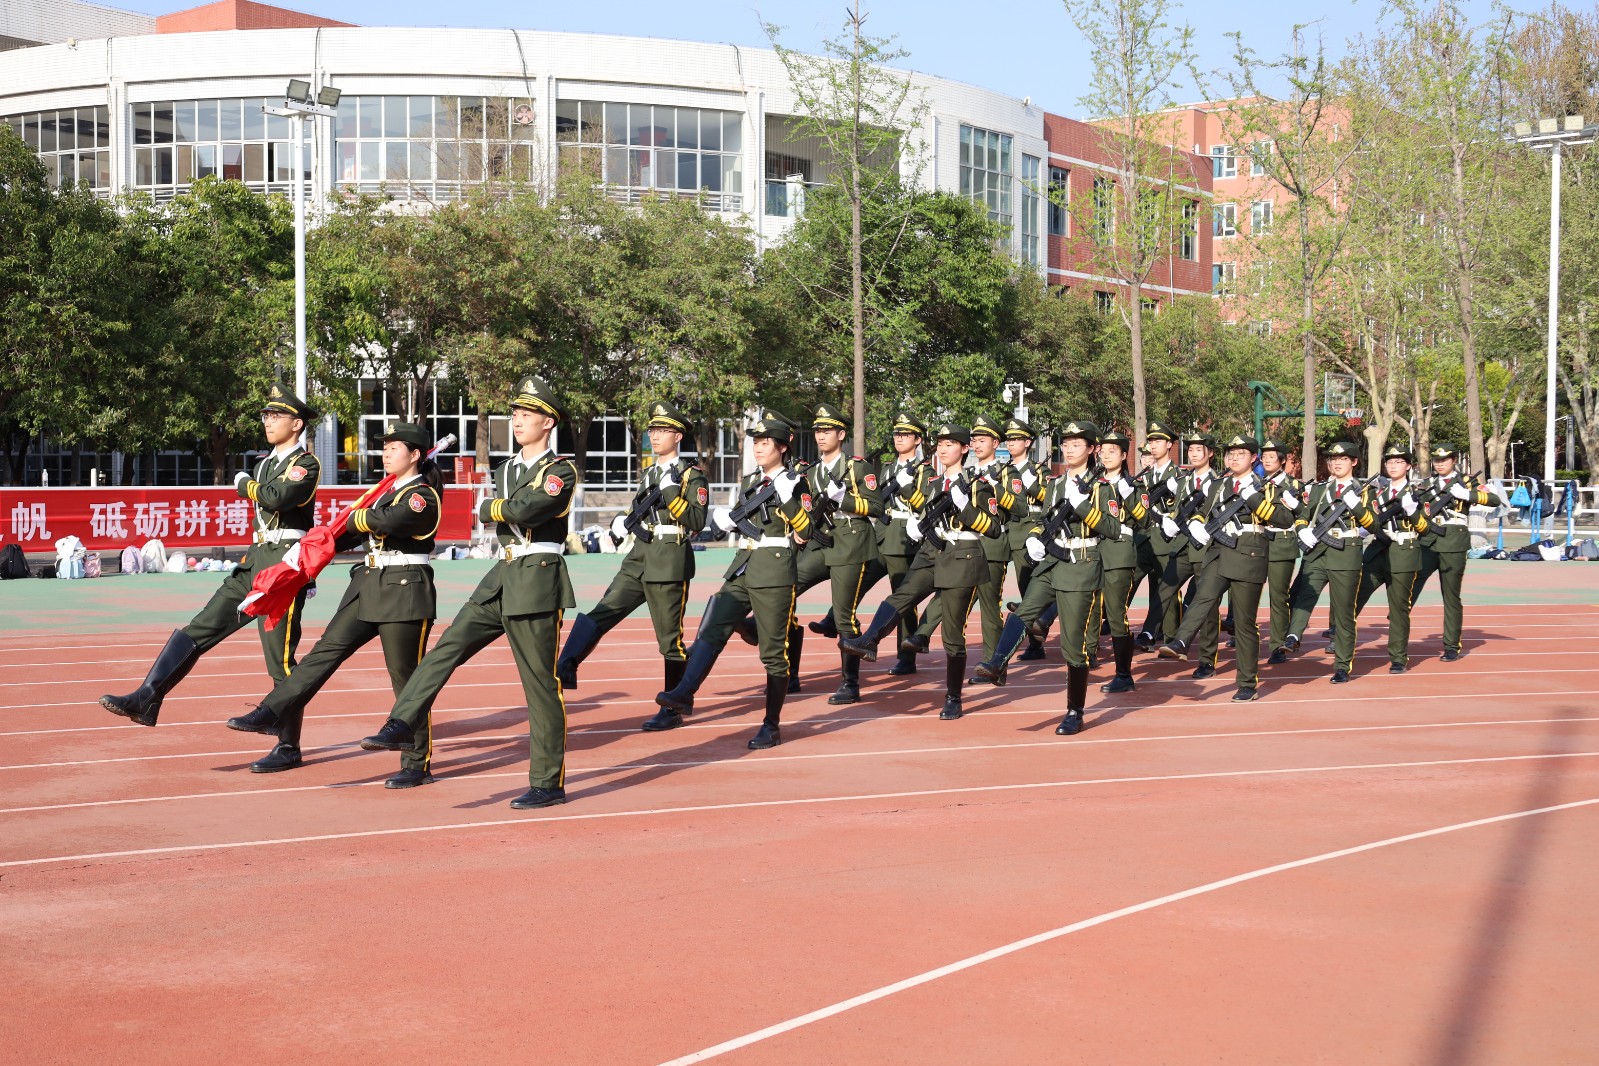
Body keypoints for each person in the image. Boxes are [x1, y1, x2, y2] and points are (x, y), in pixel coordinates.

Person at [357, 375, 578, 807]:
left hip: (538, 576)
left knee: (539, 685)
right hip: (502, 573)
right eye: (515, 413)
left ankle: (548, 783)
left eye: (527, 414)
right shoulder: (506, 469)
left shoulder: (560, 471)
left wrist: (493, 508)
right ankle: (401, 722)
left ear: (548, 422)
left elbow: (530, 509)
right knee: (446, 648)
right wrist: (503, 509)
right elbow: (513, 510)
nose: (517, 420)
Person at [226, 422, 443, 774]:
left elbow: (388, 521)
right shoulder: (382, 493)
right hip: (367, 585)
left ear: (415, 455)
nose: (386, 453)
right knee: (323, 653)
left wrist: (357, 518)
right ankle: (272, 710)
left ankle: (416, 764)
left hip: (404, 590)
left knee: (406, 679)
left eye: (394, 447)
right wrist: (313, 547)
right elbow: (347, 533)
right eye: (384, 447)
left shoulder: (422, 496)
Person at [100, 384, 320, 727]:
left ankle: (288, 744)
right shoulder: (265, 465)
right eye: (266, 415)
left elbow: (278, 498)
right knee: (200, 628)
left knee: (280, 659)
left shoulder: (304, 464)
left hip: (284, 567)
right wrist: (253, 482)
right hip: (254, 561)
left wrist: (245, 485)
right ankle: (147, 697)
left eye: (276, 416)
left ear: (296, 424)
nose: (267, 421)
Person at [649, 412, 812, 747]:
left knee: (773, 653)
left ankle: (771, 724)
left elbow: (807, 530)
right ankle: (684, 692)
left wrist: (787, 498)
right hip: (743, 566)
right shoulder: (750, 481)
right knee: (714, 624)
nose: (758, 447)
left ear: (783, 447)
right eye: (756, 442)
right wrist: (728, 522)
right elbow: (744, 517)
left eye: (765, 442)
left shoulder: (796, 482)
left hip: (774, 571)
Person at [840, 423, 1002, 719]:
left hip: (962, 555)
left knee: (952, 633)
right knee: (903, 595)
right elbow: (927, 513)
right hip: (932, 550)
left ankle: (953, 697)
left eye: (950, 444)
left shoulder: (978, 485)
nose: (943, 449)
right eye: (940, 444)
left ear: (964, 449)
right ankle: (870, 640)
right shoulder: (935, 483)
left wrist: (965, 507)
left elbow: (993, 528)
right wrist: (919, 526)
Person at [555, 401, 708, 701]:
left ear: (678, 436)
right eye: (653, 430)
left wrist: (671, 492)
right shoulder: (649, 474)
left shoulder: (691, 476)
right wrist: (621, 523)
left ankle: (674, 705)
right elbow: (638, 509)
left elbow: (697, 521)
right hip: (638, 557)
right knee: (603, 611)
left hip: (668, 560)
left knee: (670, 641)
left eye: (663, 430)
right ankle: (565, 666)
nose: (655, 435)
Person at [743, 403, 885, 705]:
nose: (821, 435)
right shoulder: (808, 472)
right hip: (821, 542)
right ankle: (790, 676)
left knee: (844, 615)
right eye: (818, 430)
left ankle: (850, 683)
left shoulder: (857, 467)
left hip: (851, 543)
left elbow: (876, 507)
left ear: (841, 434)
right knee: (788, 589)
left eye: (827, 430)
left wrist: (844, 499)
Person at [1158, 435, 1294, 701]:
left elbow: (1285, 518)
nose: (1234, 458)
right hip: (1219, 550)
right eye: (1231, 454)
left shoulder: (1266, 486)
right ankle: (1181, 641)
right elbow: (1203, 510)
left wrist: (1254, 500)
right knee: (1203, 596)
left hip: (1249, 554)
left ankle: (1247, 683)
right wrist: (1196, 522)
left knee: (1244, 624)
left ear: (1253, 458)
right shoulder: (1219, 484)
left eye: (1241, 454)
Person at [1026, 420, 1122, 735]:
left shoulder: (1102, 487)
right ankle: (997, 662)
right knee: (1026, 611)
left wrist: (1083, 507)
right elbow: (1043, 519)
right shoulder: (1055, 484)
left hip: (1083, 562)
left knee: (1072, 644)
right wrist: (1035, 536)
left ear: (1092, 449)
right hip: (1055, 560)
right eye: (1065, 444)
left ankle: (1074, 711)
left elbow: (1113, 528)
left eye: (1077, 444)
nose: (1068, 449)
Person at [1280, 440, 1377, 683]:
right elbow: (1303, 515)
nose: (1337, 463)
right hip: (1317, 550)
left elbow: (1374, 524)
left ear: (1354, 462)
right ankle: (1293, 636)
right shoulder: (1319, 489)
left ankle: (1342, 664)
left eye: (1343, 459)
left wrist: (1357, 508)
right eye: (1333, 459)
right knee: (1304, 595)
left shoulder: (1364, 491)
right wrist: (1302, 530)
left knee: (1344, 611)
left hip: (1345, 552)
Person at [1410, 442, 1503, 661]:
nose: (1440, 464)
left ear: (1453, 461)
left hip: (1453, 541)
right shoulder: (1426, 484)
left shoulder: (1467, 482)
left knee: (1451, 596)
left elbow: (1494, 500)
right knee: (1408, 584)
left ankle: (1451, 645)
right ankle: (1398, 623)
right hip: (1427, 540)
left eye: (1444, 460)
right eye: (1436, 460)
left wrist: (1467, 495)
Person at [1353, 443, 1432, 674]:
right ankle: (1340, 639)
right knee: (1353, 596)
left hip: (1403, 552)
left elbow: (1425, 529)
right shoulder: (1376, 493)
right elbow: (1369, 519)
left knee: (1398, 608)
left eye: (1399, 462)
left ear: (1408, 466)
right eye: (1389, 462)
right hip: (1378, 550)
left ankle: (1398, 657)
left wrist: (1412, 512)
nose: (1393, 465)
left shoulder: (1418, 493)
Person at [1151, 430, 1220, 677]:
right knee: (1164, 589)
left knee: (1207, 605)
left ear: (1210, 453)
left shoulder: (1219, 482)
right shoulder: (1182, 481)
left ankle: (1207, 660)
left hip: (1206, 549)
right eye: (1190, 449)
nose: (1193, 454)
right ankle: (1154, 634)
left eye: (1199, 449)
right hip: (1181, 546)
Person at [873, 412, 934, 675]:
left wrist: (908, 489)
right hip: (882, 534)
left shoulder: (925, 471)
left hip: (903, 539)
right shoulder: (888, 468)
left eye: (905, 435)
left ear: (917, 440)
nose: (899, 438)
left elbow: (926, 505)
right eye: (897, 434)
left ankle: (906, 656)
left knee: (903, 597)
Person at [1094, 430, 1149, 693]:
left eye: (1112, 451)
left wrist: (1128, 494)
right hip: (1092, 552)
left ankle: (1124, 675)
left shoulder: (1134, 486)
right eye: (1103, 451)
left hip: (1118, 552)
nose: (1106, 456)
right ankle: (1084, 662)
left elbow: (1145, 519)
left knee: (1115, 614)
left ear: (1124, 455)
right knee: (1089, 610)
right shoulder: (1093, 482)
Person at [1134, 421, 1181, 647]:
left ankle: (1171, 638)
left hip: (1165, 539)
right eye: (1151, 441)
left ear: (1169, 445)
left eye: (1158, 441)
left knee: (1167, 587)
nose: (1153, 446)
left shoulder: (1178, 476)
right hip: (1144, 538)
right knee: (1127, 578)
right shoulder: (1146, 475)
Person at [1260, 438, 1308, 665]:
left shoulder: (1295, 486)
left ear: (1282, 460)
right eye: (1264, 456)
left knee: (1278, 597)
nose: (1267, 460)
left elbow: (1305, 513)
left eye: (1272, 457)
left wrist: (1296, 506)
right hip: (1257, 542)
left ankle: (1278, 645)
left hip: (1282, 543)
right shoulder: (1256, 483)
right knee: (1246, 593)